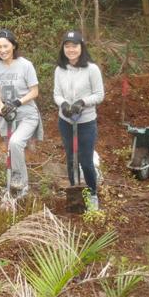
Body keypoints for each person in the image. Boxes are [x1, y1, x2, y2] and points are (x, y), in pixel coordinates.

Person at [54, 29, 105, 211]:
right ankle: (75, 191)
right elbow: (57, 94)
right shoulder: (60, 69)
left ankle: (91, 194)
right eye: (67, 46)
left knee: (85, 160)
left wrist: (82, 102)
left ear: (81, 47)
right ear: (63, 49)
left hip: (86, 122)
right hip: (66, 121)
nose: (71, 50)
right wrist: (65, 105)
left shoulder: (92, 69)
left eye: (74, 46)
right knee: (70, 158)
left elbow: (99, 95)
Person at [0, 29, 41, 196]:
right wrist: (0, 105)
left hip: (27, 113)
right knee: (10, 151)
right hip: (7, 115)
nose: (2, 50)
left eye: (5, 46)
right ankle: (15, 189)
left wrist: (17, 103)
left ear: (13, 45)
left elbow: (34, 92)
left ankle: (19, 180)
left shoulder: (25, 65)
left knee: (15, 143)